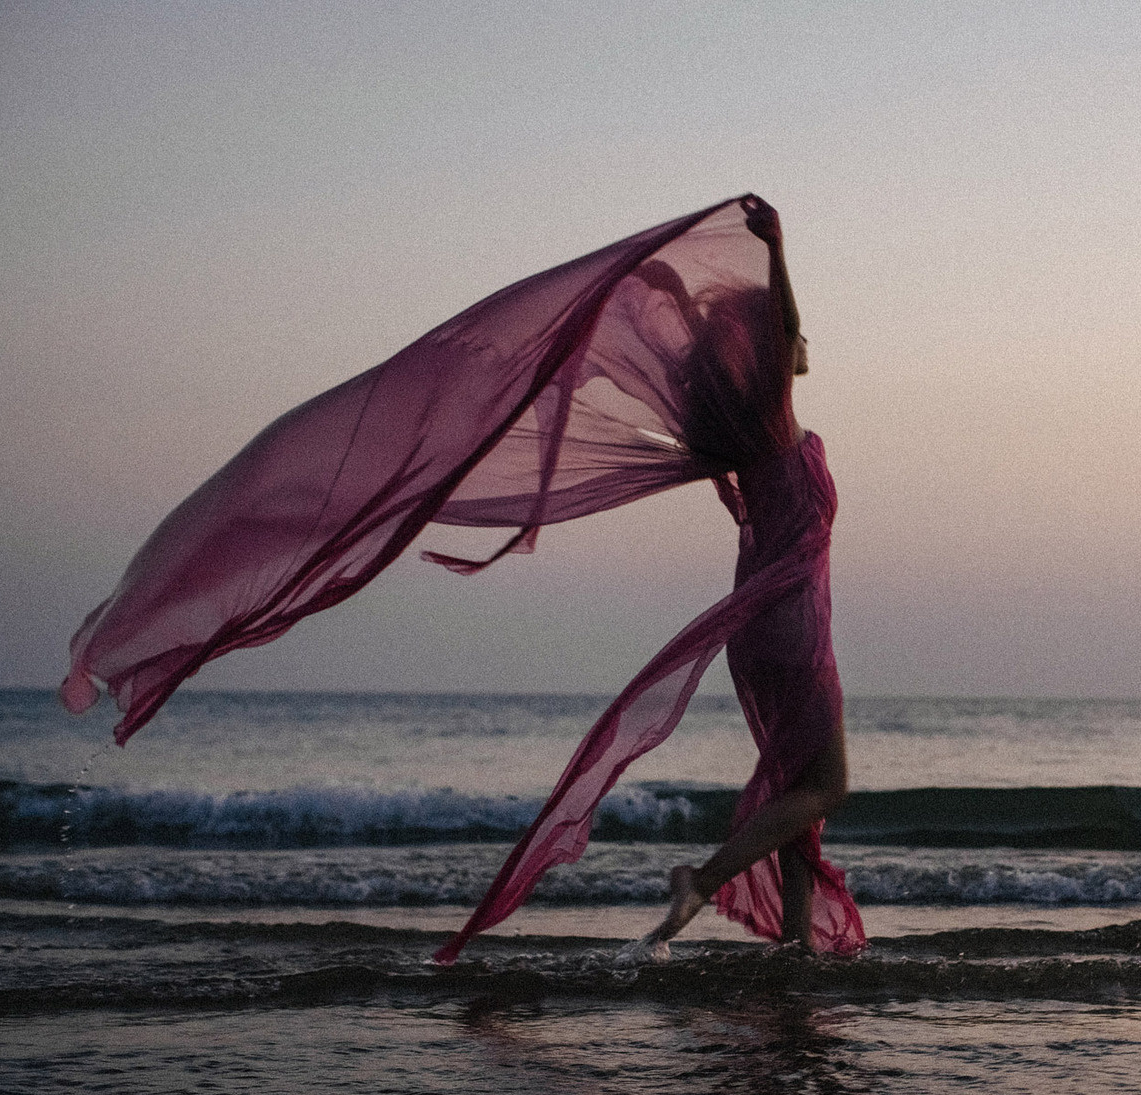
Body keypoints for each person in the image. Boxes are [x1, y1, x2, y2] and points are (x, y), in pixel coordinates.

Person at [59, 196, 866, 961]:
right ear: (768, 360)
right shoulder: (773, 434)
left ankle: (798, 946)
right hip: (792, 630)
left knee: (795, 783)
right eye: (792, 340)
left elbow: (772, 355)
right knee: (825, 783)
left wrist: (692, 305)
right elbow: (784, 325)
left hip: (765, 634)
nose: (807, 346)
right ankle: (704, 879)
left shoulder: (753, 450)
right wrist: (774, 248)